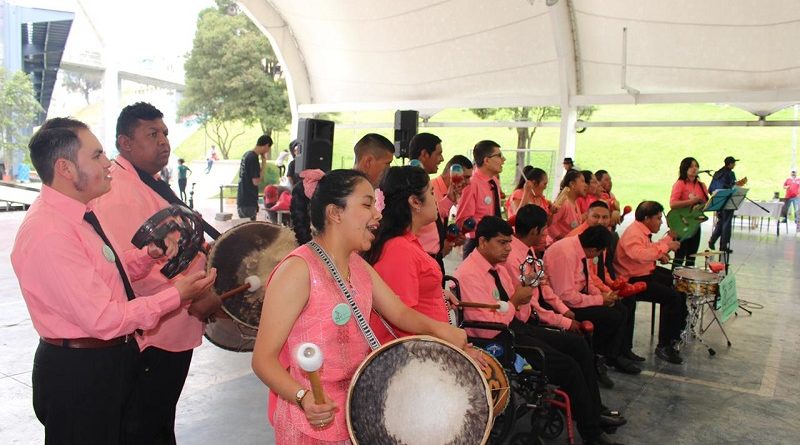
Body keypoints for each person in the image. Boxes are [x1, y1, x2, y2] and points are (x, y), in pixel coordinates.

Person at [11, 117, 215, 444]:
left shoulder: (78, 216)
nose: (107, 164)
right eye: (96, 156)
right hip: (80, 372)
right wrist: (175, 296)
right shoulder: (50, 233)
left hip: (105, 363)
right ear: (64, 168)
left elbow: (103, 274)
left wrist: (145, 256)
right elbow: (104, 318)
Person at [251, 169, 470, 444]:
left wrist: (442, 330)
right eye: (367, 204)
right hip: (310, 422)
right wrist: (303, 397)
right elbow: (262, 360)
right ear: (335, 213)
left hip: (357, 416)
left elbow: (399, 312)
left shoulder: (359, 265)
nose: (378, 214)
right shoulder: (298, 270)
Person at [93, 102, 223, 444]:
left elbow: (168, 246)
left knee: (159, 420)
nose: (163, 141)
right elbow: (129, 268)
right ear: (125, 143)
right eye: (152, 134)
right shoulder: (118, 192)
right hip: (153, 335)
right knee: (145, 425)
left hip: (173, 324)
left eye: (164, 133)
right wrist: (191, 296)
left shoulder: (147, 181)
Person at [454, 216, 625, 445]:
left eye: (509, 242)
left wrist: (527, 295)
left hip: (516, 327)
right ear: (483, 242)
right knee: (569, 367)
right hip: (498, 340)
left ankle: (593, 413)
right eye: (502, 243)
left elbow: (520, 308)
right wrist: (516, 301)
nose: (508, 248)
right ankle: (591, 432)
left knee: (578, 344)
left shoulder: (498, 268)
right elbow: (486, 327)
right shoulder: (468, 274)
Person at [365, 166, 451, 342]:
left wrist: (437, 294)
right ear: (415, 202)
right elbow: (402, 318)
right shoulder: (398, 249)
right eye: (432, 192)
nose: (436, 199)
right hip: (414, 354)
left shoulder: (406, 242)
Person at [545, 222, 639, 376]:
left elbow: (587, 280)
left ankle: (612, 355)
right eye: (599, 252)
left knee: (621, 308)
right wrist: (599, 300)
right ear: (594, 250)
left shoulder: (581, 248)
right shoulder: (565, 253)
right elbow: (565, 296)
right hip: (563, 305)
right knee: (612, 316)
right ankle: (597, 358)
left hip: (577, 296)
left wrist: (603, 296)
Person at [614, 201, 688, 364]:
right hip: (632, 280)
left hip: (645, 272)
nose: (660, 222)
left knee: (679, 282)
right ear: (647, 218)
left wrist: (667, 240)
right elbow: (639, 255)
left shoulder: (641, 231)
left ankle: (677, 332)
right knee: (672, 297)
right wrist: (665, 247)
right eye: (658, 218)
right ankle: (664, 345)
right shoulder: (634, 233)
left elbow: (649, 249)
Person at [409, 133, 462, 269]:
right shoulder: (409, 184)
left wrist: (450, 198)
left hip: (434, 257)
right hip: (422, 258)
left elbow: (434, 214)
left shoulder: (424, 182)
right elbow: (415, 217)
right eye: (438, 154)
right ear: (425, 154)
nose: (442, 159)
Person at [456, 140, 506, 258]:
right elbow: (462, 220)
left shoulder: (494, 181)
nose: (503, 160)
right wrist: (488, 227)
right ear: (486, 160)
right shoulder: (472, 184)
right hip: (477, 242)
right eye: (499, 156)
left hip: (494, 239)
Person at [669, 157, 708, 267]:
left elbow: (706, 203)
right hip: (681, 223)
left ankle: (687, 282)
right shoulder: (680, 184)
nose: (694, 168)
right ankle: (674, 281)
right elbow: (672, 204)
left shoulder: (701, 185)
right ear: (684, 168)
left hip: (695, 223)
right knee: (680, 256)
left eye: (696, 166)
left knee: (692, 256)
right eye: (691, 166)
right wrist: (690, 202)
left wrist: (703, 205)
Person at [708, 156, 747, 252]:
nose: (734, 165)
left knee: (721, 222)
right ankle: (724, 246)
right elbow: (732, 188)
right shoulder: (730, 173)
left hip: (717, 201)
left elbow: (710, 189)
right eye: (733, 163)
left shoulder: (717, 173)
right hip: (727, 201)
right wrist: (739, 185)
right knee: (726, 224)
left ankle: (712, 240)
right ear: (730, 164)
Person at [237, 135, 273, 220]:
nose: (268, 151)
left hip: (242, 198)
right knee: (250, 231)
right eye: (269, 148)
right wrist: (264, 164)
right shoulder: (253, 158)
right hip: (249, 201)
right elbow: (256, 181)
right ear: (266, 145)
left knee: (244, 229)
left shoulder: (246, 154)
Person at [550, 169, 587, 241]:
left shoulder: (574, 203)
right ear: (572, 184)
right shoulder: (563, 203)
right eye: (582, 181)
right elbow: (550, 226)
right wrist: (565, 240)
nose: (585, 185)